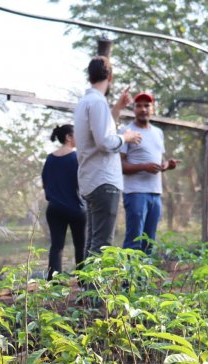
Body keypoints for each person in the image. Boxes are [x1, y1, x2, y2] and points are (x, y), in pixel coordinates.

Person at [73, 56, 142, 255]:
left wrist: (118, 107)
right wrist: (126, 138)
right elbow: (105, 141)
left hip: (91, 179)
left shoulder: (85, 102)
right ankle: (94, 287)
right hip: (104, 181)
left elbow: (100, 130)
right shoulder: (97, 102)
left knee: (93, 239)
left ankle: (87, 285)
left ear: (89, 76)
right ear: (110, 76)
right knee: (102, 243)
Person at [119, 92, 178, 252]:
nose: (143, 109)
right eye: (139, 106)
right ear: (133, 108)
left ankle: (143, 278)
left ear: (153, 108)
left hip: (155, 193)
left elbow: (157, 164)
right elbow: (120, 166)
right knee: (134, 240)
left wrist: (167, 166)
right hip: (135, 192)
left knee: (149, 242)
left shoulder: (158, 132)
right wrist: (144, 166)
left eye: (147, 105)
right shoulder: (126, 131)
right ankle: (127, 277)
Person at [41, 124, 86, 280]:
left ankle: (54, 285)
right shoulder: (76, 158)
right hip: (75, 209)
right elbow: (83, 183)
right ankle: (84, 283)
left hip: (54, 209)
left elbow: (45, 183)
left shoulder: (50, 158)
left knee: (56, 247)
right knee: (80, 246)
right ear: (68, 137)